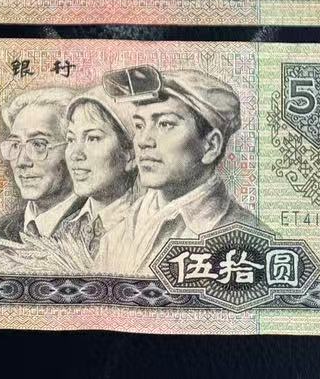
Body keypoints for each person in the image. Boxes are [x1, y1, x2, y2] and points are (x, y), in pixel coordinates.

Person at [102, 65, 270, 266]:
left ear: (211, 146)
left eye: (165, 124)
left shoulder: (251, 242)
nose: (143, 141)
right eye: (139, 125)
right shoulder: (121, 227)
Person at [0, 86, 83, 259]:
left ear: (72, 148)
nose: (21, 162)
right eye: (15, 145)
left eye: (38, 144)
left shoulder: (99, 233)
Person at [59, 88, 140, 269]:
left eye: (93, 138)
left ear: (130, 155)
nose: (75, 154)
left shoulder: (144, 228)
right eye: (71, 139)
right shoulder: (65, 228)